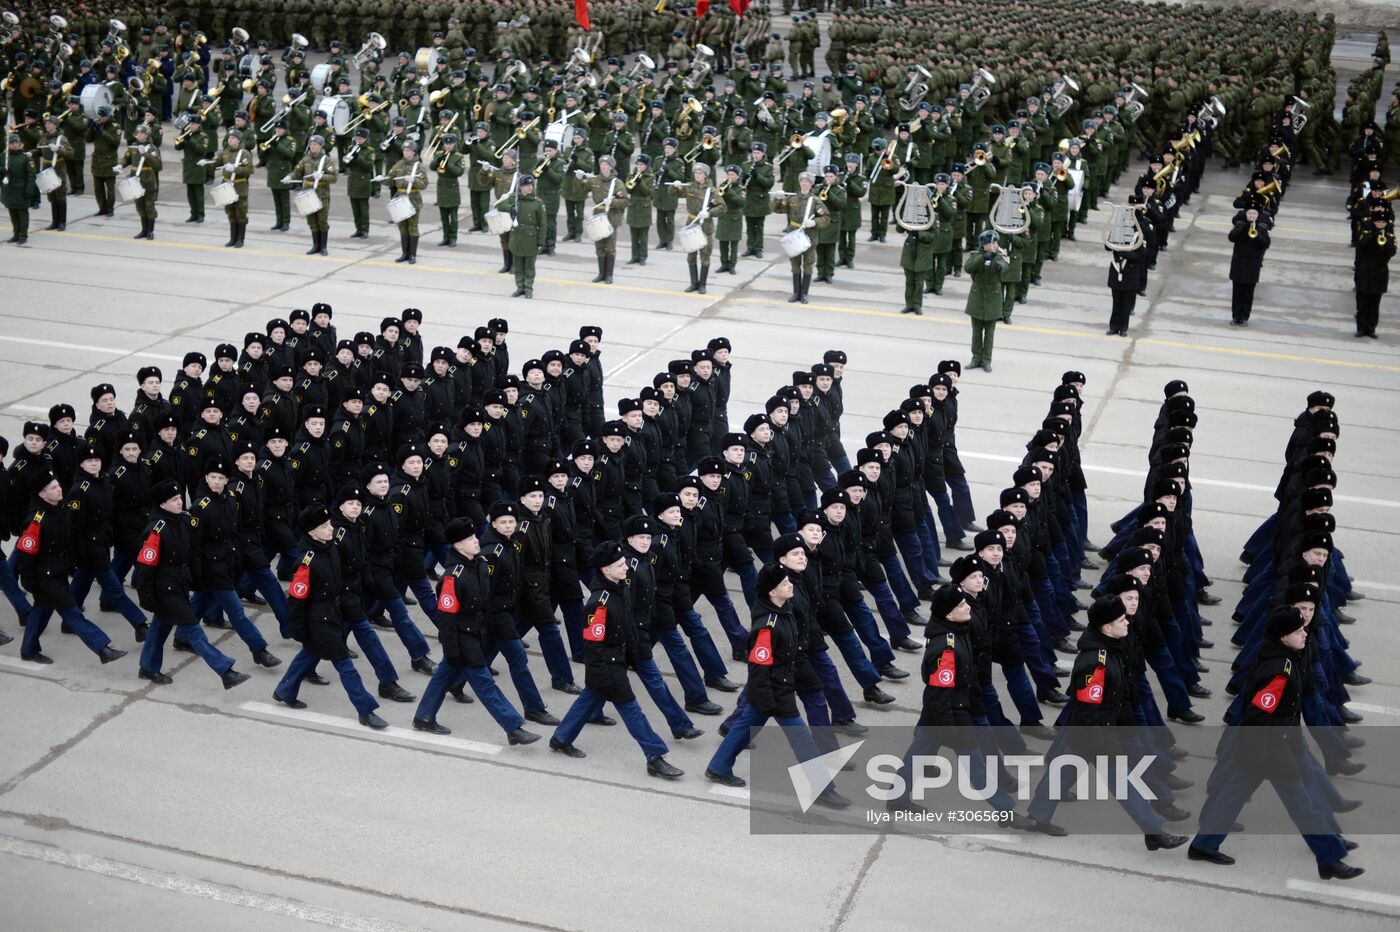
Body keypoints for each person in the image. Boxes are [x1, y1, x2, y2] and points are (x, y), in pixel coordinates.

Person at [1190, 605, 1364, 879]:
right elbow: (1259, 716)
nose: (1304, 634)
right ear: (1283, 636)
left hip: (1272, 745)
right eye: (1298, 631)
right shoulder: (1279, 670)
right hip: (1269, 748)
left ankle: (1203, 844)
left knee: (1233, 796)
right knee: (1302, 804)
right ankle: (1330, 858)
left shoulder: (1285, 656)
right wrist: (1260, 756)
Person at [1025, 596, 1188, 849]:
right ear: (1106, 627)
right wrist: (1100, 743)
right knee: (1121, 783)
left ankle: (1037, 816)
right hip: (1094, 731)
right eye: (1121, 621)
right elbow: (1089, 708)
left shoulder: (1113, 648)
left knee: (1061, 773)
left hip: (1095, 728)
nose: (1127, 624)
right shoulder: (1096, 663)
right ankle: (1154, 831)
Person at [704, 563, 851, 808]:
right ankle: (824, 790)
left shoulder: (784, 609)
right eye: (784, 583)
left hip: (776, 686)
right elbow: (759, 669)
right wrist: (766, 699)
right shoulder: (767, 626)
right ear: (772, 592)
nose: (789, 584)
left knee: (743, 728)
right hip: (773, 690)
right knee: (802, 739)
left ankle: (718, 767)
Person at [550, 542, 685, 780]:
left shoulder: (619, 588)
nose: (626, 568)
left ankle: (561, 738)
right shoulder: (599, 602)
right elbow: (592, 646)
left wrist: (633, 655)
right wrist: (603, 674)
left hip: (618, 658)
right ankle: (655, 756)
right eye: (620, 565)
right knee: (633, 711)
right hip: (607, 664)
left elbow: (628, 625)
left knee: (589, 699)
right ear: (605, 569)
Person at [413, 517, 541, 743]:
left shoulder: (480, 564)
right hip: (462, 638)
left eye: (474, 536)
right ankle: (513, 727)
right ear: (457, 546)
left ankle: (423, 716)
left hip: (476, 632)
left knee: (443, 676)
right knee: (485, 684)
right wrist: (452, 648)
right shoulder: (453, 577)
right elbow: (446, 619)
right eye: (469, 538)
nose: (475, 540)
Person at [274, 506, 387, 729]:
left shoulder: (330, 548)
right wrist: (296, 628)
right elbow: (297, 599)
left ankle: (285, 690)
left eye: (329, 525)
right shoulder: (306, 562)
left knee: (309, 654)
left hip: (333, 613)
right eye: (324, 527)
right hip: (319, 621)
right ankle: (365, 709)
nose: (331, 529)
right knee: (345, 664)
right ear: (311, 532)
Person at [134, 479, 249, 689]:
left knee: (160, 626)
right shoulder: (156, 531)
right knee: (194, 631)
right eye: (174, 499)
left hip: (180, 583)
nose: (180, 502)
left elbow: (193, 551)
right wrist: (148, 598)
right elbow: (145, 569)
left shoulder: (184, 521)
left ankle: (148, 667)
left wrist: (196, 579)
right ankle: (225, 670)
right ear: (162, 504)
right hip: (164, 588)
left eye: (180, 498)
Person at [16, 470, 127, 666]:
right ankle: (103, 649)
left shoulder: (61, 509)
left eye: (58, 485)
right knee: (72, 612)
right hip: (45, 576)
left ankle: (28, 649)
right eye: (53, 488)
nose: (59, 489)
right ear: (42, 494)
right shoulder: (36, 521)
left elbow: (69, 540)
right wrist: (29, 582)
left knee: (41, 611)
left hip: (58, 571)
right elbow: (26, 557)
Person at [964, 230, 1007, 372]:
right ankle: (976, 358)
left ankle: (986, 360)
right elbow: (968, 268)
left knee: (989, 333)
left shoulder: (1000, 256)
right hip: (977, 297)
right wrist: (983, 258)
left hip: (993, 298)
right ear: (984, 245)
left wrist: (1000, 266)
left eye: (995, 243)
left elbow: (1006, 267)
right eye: (992, 243)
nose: (995, 245)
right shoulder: (976, 255)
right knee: (976, 332)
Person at [1353, 201, 1394, 337]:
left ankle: (1371, 328)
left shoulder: (1389, 234)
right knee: (1362, 303)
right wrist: (1373, 236)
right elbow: (1361, 246)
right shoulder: (1367, 230)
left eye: (1383, 222)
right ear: (1374, 222)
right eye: (1378, 222)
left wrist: (1385, 242)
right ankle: (1360, 328)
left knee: (1374, 305)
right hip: (1365, 271)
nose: (1381, 224)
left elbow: (1392, 251)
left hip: (1379, 272)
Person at [1228, 201, 1271, 326]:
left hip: (1252, 264)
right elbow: (1231, 237)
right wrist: (1243, 228)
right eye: (1250, 213)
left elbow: (1266, 243)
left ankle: (1245, 317)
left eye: (1254, 213)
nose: (1252, 216)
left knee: (1248, 293)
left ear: (1258, 215)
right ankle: (1236, 317)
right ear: (1246, 214)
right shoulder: (1239, 224)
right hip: (1238, 263)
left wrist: (1256, 235)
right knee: (1237, 292)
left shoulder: (1262, 227)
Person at [295, 134, 338, 256]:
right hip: (308, 192)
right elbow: (297, 171)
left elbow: (334, 177)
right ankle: (315, 245)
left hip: (321, 194)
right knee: (312, 221)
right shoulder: (305, 159)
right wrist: (290, 177)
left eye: (315, 144)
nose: (312, 147)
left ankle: (323, 247)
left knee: (322, 221)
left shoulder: (326, 160)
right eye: (311, 144)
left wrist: (322, 176)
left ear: (320, 146)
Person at [385, 139, 426, 264]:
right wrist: (382, 179)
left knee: (412, 227)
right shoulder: (399, 164)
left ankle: (412, 254)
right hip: (400, 197)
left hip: (413, 198)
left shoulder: (419, 166)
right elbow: (390, 180)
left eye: (408, 150)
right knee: (402, 227)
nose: (405, 152)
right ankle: (404, 253)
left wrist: (414, 181)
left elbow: (424, 184)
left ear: (413, 152)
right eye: (404, 150)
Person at [508, 174, 545, 299]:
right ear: (520, 187)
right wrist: (511, 208)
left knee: (529, 266)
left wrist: (541, 241)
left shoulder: (537, 203)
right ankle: (520, 287)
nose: (529, 188)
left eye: (531, 185)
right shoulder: (515, 200)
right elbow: (499, 205)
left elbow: (543, 224)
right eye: (526, 186)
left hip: (531, 237)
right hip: (517, 236)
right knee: (518, 265)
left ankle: (528, 287)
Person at [1106, 230, 1148, 336]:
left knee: (1126, 303)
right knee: (1116, 302)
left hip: (1130, 273)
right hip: (1117, 270)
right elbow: (1107, 247)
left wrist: (1123, 253)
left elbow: (1140, 256)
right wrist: (1112, 238)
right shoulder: (1117, 230)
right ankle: (1113, 326)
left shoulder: (1138, 235)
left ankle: (1123, 328)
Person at [2, 133, 35, 245]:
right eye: (12, 143)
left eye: (16, 143)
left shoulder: (25, 157)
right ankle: (16, 234)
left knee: (22, 213)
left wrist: (29, 190)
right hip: (9, 189)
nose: (15, 145)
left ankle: (23, 235)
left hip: (21, 189)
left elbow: (31, 175)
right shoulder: (4, 157)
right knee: (13, 213)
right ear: (8, 145)